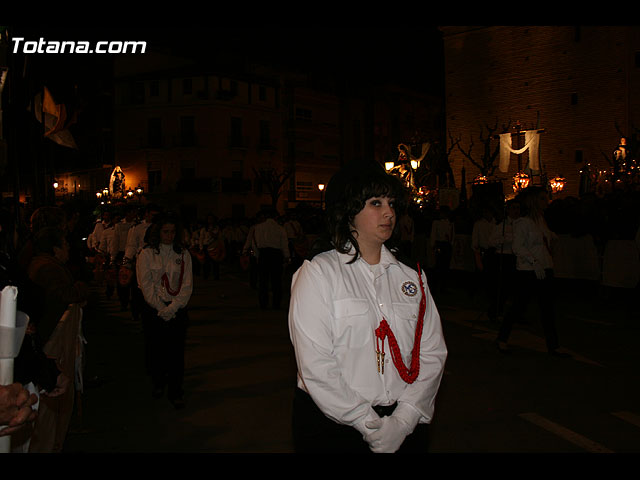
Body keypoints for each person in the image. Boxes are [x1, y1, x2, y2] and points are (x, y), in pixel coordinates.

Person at [288, 160, 447, 453]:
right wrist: (366, 422)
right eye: (376, 202)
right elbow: (316, 365)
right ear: (348, 211)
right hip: (335, 426)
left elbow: (432, 351)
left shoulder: (412, 275)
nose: (389, 212)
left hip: (405, 425)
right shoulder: (319, 273)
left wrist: (404, 419)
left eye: (391, 202)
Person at [496, 187, 569, 357]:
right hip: (528, 271)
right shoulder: (523, 223)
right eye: (543, 199)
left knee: (547, 308)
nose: (547, 202)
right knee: (518, 306)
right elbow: (517, 247)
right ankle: (502, 338)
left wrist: (552, 238)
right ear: (534, 201)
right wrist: (533, 261)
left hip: (544, 268)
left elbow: (544, 239)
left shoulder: (540, 220)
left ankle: (553, 345)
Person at [136, 213, 193, 409]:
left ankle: (176, 390)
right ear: (158, 232)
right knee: (155, 349)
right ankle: (158, 383)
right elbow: (145, 285)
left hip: (176, 309)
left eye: (172, 232)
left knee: (176, 352)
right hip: (154, 309)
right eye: (165, 232)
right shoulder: (147, 254)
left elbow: (186, 286)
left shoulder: (183, 254)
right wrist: (161, 308)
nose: (169, 236)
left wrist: (173, 308)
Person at [253, 209, 289, 309]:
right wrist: (286, 256)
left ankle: (263, 303)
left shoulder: (258, 228)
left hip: (263, 254)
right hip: (276, 255)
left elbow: (255, 243)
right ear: (276, 217)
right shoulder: (280, 228)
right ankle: (276, 303)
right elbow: (284, 244)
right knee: (276, 280)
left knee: (263, 280)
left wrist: (257, 256)